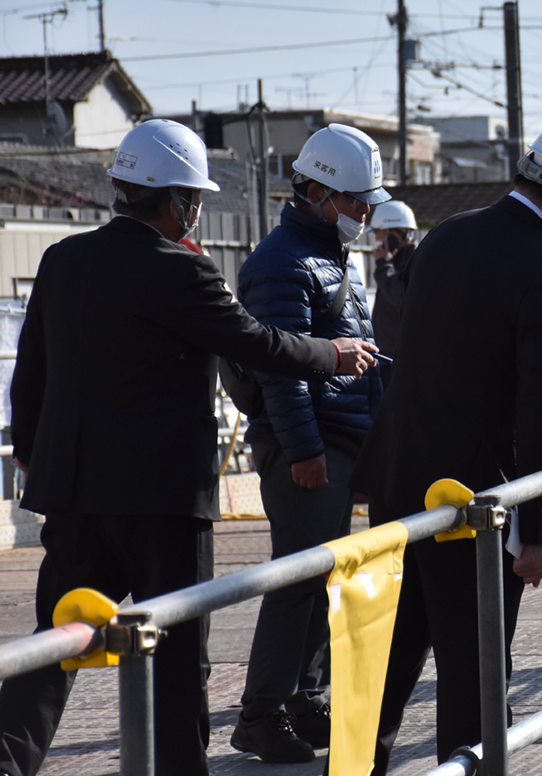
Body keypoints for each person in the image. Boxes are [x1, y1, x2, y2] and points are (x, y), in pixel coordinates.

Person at [0, 120, 377, 776]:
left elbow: (29, 372)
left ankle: (8, 757)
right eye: (194, 198)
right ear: (176, 201)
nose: (196, 210)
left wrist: (36, 456)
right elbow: (258, 344)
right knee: (176, 650)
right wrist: (335, 354)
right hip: (164, 502)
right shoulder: (182, 269)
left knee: (59, 636)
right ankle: (179, 768)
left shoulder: (63, 259)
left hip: (74, 491)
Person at [351, 108, 542, 774]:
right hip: (472, 508)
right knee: (473, 685)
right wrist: (537, 531)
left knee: (380, 675)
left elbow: (419, 363)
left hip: (399, 486)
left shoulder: (446, 237)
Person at [231, 124, 388, 763]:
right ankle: (262, 713)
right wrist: (303, 450)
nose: (365, 212)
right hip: (310, 443)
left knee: (327, 577)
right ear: (319, 190)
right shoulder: (283, 262)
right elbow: (279, 367)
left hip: (338, 439)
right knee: (297, 580)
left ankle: (305, 701)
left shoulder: (321, 253)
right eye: (356, 201)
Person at [369, 199, 418, 385]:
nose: (376, 240)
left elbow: (401, 296)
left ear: (394, 235)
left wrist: (383, 265)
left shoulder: (414, 262)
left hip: (399, 365)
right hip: (386, 360)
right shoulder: (397, 262)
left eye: (378, 233)